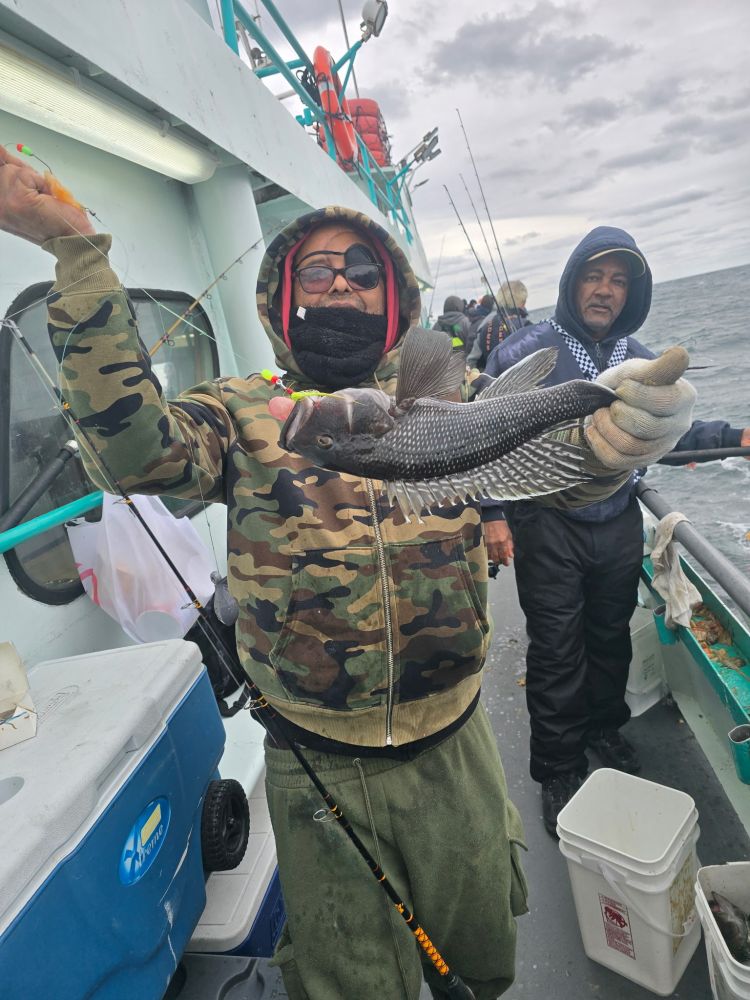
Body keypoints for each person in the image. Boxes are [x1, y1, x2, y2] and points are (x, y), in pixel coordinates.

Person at [0, 149, 696, 998]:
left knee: (480, 954)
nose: (338, 286)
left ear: (393, 295)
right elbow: (136, 454)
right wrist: (78, 257)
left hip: (457, 747)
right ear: (286, 297)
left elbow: (553, 460)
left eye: (361, 270)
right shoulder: (245, 410)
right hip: (317, 762)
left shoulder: (455, 393)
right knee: (352, 980)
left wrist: (619, 439)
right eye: (316, 270)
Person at [482, 226, 750, 837]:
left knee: (610, 638)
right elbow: (488, 433)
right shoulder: (529, 350)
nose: (605, 290)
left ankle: (605, 728)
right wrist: (493, 512)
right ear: (572, 281)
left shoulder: (641, 355)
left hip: (618, 521)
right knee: (556, 648)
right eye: (594, 276)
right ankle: (557, 767)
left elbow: (670, 429)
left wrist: (735, 438)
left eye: (618, 280)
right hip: (546, 522)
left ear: (631, 292)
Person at [467, 280, 531, 371]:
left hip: (492, 383)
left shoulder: (484, 326)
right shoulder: (527, 326)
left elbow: (472, 362)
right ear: (522, 302)